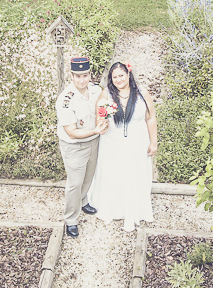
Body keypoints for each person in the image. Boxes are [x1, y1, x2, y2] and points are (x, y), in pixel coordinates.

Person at [89, 60, 157, 232]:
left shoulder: (142, 93)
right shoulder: (106, 95)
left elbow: (150, 118)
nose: (118, 79)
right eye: (114, 77)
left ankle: (135, 208)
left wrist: (153, 142)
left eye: (121, 75)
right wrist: (102, 124)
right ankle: (115, 207)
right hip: (113, 142)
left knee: (135, 172)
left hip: (137, 141)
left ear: (128, 75)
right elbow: (99, 117)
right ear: (110, 79)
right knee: (115, 173)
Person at [55, 56, 108, 238]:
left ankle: (84, 200)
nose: (82, 80)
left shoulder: (95, 91)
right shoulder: (66, 100)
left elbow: (102, 108)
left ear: (89, 74)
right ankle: (71, 219)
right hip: (74, 147)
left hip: (93, 141)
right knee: (74, 183)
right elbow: (71, 132)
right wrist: (96, 130)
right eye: (77, 76)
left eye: (85, 75)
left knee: (88, 177)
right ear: (71, 76)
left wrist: (104, 119)